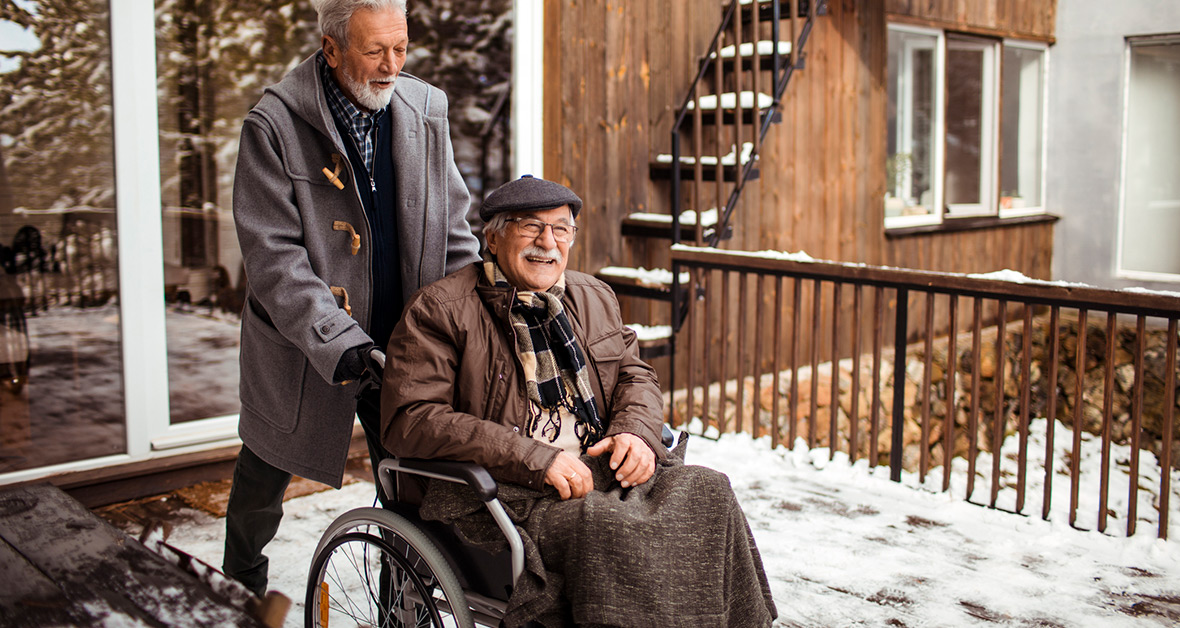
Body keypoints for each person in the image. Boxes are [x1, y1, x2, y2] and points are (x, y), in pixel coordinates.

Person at [381, 175, 777, 626]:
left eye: (561, 228)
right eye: (530, 227)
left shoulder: (592, 296)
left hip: (600, 468)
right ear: (492, 237)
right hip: (507, 492)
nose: (547, 243)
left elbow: (635, 375)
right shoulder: (441, 309)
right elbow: (411, 420)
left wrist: (636, 433)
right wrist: (534, 457)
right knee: (612, 528)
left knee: (709, 490)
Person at [223, 0, 478, 596]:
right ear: (331, 48)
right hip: (304, 342)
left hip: (401, 343)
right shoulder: (274, 124)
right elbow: (272, 257)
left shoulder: (425, 109)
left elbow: (455, 229)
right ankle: (237, 591)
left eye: (401, 48)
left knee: (406, 481)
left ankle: (401, 601)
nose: (391, 66)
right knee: (264, 471)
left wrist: (475, 312)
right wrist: (336, 339)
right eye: (374, 51)